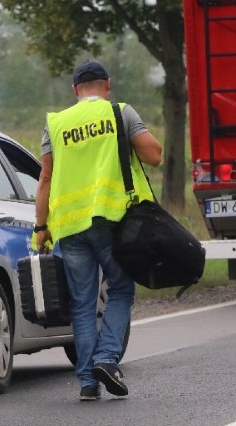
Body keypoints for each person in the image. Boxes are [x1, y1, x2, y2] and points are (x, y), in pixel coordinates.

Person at [34, 60, 162, 400]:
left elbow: (45, 178)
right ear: (107, 85)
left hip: (70, 225)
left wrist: (41, 228)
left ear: (75, 91)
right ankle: (107, 359)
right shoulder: (121, 113)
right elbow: (154, 156)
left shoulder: (56, 123)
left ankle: (88, 383)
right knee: (120, 290)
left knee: (82, 303)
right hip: (112, 220)